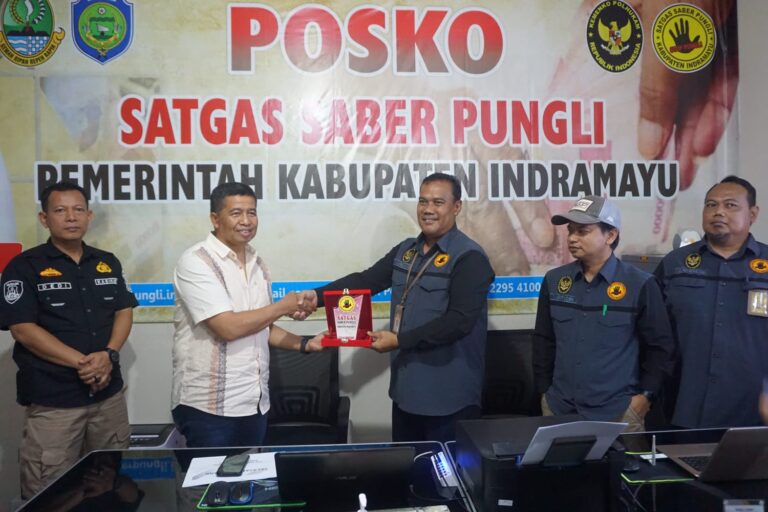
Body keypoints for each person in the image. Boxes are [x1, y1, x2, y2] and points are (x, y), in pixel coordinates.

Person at [298, 173, 495, 443]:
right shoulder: (406, 251)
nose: (428, 209)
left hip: (449, 397)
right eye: (423, 201)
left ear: (456, 207)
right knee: (409, 465)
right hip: (406, 393)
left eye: (438, 202)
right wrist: (316, 297)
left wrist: (399, 340)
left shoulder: (469, 257)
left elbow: (458, 322)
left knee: (450, 469)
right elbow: (366, 281)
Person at [0, 181, 138, 499]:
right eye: (60, 210)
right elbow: (23, 329)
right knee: (51, 495)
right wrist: (84, 363)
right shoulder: (23, 267)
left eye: (78, 210)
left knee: (109, 490)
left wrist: (109, 354)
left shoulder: (107, 262)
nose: (71, 217)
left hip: (108, 400)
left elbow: (124, 310)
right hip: (55, 403)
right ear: (44, 218)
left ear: (89, 216)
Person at [171, 182, 323, 448]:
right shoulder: (196, 261)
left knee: (249, 475)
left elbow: (261, 326)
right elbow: (227, 327)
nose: (246, 221)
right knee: (210, 477)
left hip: (254, 402)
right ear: (215, 219)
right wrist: (283, 306)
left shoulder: (257, 263)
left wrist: (305, 344)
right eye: (236, 213)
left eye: (251, 212)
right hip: (208, 408)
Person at [532, 196, 675, 432]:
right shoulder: (555, 281)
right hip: (559, 408)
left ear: (610, 235)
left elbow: (660, 348)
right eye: (570, 231)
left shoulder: (640, 284)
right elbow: (543, 341)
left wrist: (645, 397)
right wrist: (544, 392)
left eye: (582, 231)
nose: (572, 238)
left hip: (619, 412)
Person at [655, 176, 768, 428]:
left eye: (730, 205)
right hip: (684, 406)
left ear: (752, 214)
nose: (718, 212)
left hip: (754, 413)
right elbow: (651, 333)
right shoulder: (675, 264)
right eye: (711, 204)